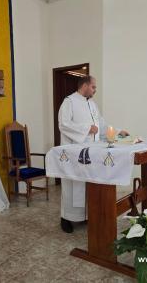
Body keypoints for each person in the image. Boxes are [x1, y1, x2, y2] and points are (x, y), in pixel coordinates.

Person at [58, 75, 129, 233]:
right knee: (73, 184)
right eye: (93, 87)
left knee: (87, 183)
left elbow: (102, 126)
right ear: (84, 85)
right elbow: (64, 124)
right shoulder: (69, 101)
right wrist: (86, 128)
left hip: (91, 153)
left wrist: (118, 132)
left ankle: (86, 216)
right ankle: (66, 218)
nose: (95, 90)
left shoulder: (92, 105)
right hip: (74, 152)